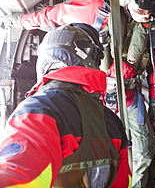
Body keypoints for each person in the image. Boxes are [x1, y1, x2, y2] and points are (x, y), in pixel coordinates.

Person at [1, 0, 155, 188]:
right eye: (143, 6)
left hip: (129, 93)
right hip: (93, 95)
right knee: (91, 150)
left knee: (145, 149)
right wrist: (19, 22)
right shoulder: (94, 9)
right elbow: (53, 15)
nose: (148, 14)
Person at [0, 24, 131, 187]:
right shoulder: (112, 122)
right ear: (91, 60)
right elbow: (123, 182)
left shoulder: (36, 110)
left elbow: (16, 178)